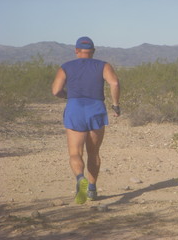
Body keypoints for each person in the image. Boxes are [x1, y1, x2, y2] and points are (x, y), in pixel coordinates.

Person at [52, 36, 120, 204]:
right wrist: (116, 105)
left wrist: (68, 96)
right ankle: (91, 188)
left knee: (75, 153)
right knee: (94, 152)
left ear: (76, 51)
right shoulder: (103, 65)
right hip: (96, 109)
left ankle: (80, 177)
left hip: (75, 108)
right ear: (93, 51)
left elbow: (55, 91)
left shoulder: (66, 67)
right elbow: (115, 83)